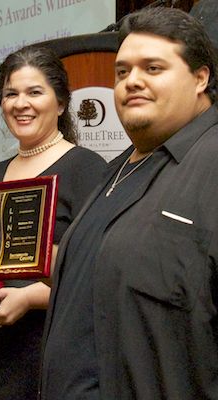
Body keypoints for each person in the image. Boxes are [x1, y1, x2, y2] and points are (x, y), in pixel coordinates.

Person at [38, 7, 218, 400]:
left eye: (152, 68)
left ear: (200, 78)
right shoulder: (118, 168)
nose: (132, 82)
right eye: (122, 72)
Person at [0, 45, 106, 399]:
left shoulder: (86, 168)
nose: (20, 103)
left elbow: (100, 267)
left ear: (60, 103)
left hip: (55, 344)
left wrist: (32, 297)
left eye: (34, 92)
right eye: (11, 93)